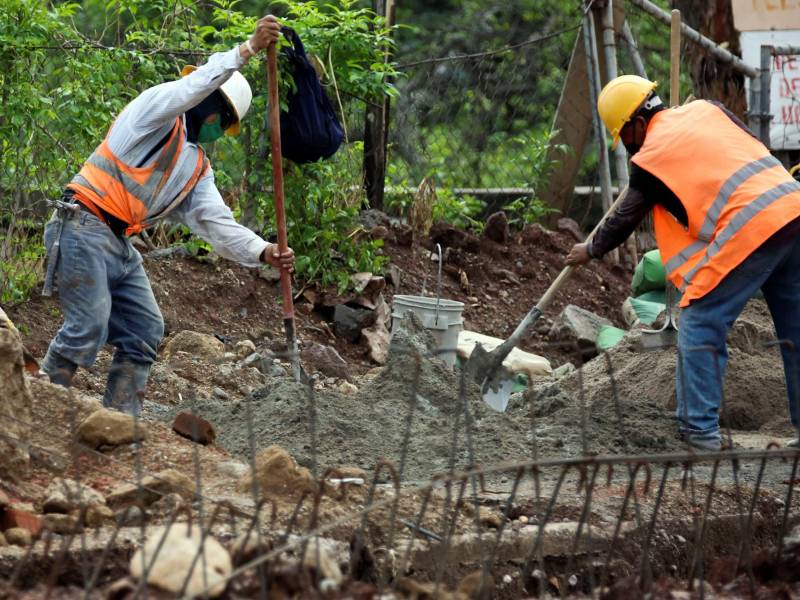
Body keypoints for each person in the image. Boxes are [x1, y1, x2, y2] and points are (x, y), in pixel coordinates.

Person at [41, 15, 295, 417]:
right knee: (87, 327)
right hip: (82, 223)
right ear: (211, 108)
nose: (220, 131)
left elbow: (217, 224)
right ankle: (41, 406)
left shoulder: (195, 167)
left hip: (118, 242)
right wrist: (246, 51)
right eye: (224, 122)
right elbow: (193, 86)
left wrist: (264, 251)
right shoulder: (156, 111)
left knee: (144, 330)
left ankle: (120, 423)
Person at [565, 75, 800, 451]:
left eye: (624, 138)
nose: (627, 149)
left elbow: (624, 218)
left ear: (638, 124)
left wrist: (590, 249)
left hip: (753, 224)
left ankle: (699, 433)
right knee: (796, 327)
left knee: (700, 317)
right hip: (792, 205)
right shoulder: (707, 110)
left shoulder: (650, 158)